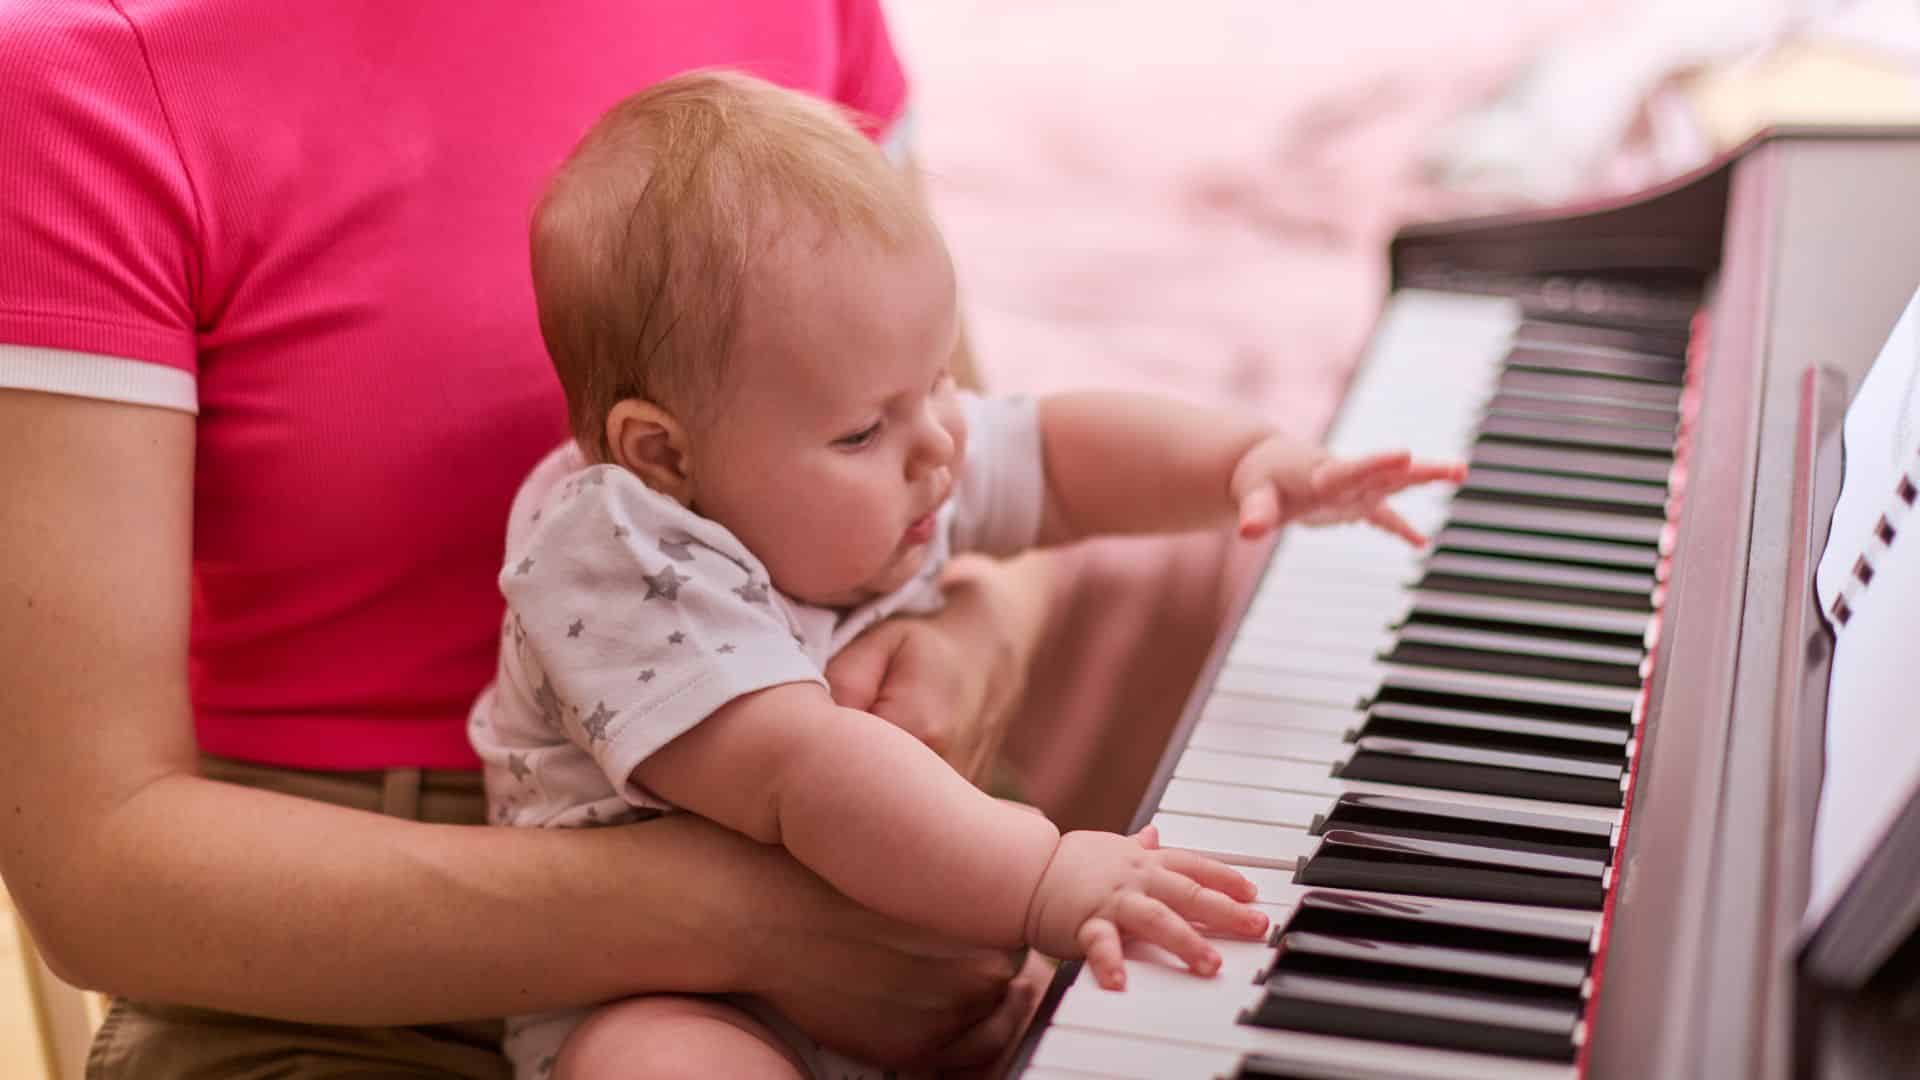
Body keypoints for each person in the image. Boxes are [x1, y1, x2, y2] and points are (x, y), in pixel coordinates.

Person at [0, 3, 1074, 1077]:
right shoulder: (81, 78)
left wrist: (973, 646)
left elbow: (973, 472)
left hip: (889, 865)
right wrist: (761, 922)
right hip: (346, 987)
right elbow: (98, 868)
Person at [482, 70, 1463, 1080]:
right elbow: (808, 773)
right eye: (863, 429)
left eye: (941, 378)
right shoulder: (612, 547)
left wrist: (1243, 464)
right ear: (665, 456)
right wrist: (1043, 877)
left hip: (913, 935)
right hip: (682, 989)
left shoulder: (899, 458)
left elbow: (1057, 455)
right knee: (656, 1064)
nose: (940, 447)